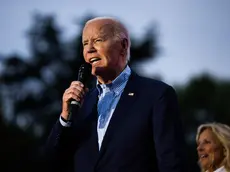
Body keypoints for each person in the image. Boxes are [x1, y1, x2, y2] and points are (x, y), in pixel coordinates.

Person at [44, 16, 187, 172]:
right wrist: (65, 118)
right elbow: (52, 162)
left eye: (98, 40)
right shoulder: (80, 105)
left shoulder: (156, 95)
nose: (89, 48)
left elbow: (172, 163)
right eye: (85, 43)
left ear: (123, 45)